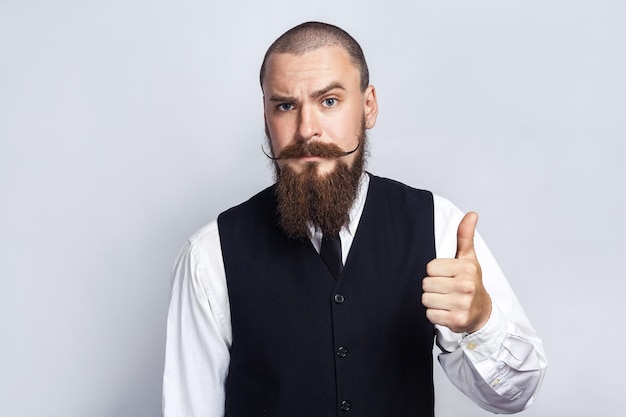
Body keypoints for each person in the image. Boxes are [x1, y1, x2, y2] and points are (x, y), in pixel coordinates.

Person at [162, 21, 547, 417]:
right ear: (265, 117)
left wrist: (480, 322)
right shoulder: (210, 255)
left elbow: (514, 397)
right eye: (285, 105)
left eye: (328, 101)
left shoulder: (437, 226)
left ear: (368, 106)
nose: (307, 130)